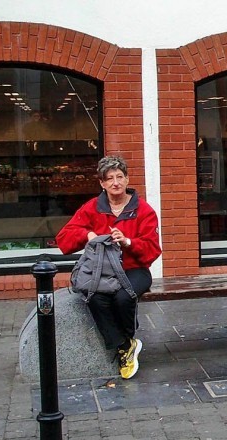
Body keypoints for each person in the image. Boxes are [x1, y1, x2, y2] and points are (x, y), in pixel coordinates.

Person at [56, 155, 161, 380]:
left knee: (124, 296)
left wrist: (128, 241)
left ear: (127, 179)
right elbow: (63, 238)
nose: (116, 182)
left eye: (120, 177)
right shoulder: (91, 208)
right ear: (102, 184)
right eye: (110, 178)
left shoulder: (143, 210)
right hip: (101, 271)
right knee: (95, 297)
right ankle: (125, 346)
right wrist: (88, 235)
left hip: (134, 270)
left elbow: (153, 249)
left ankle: (126, 343)